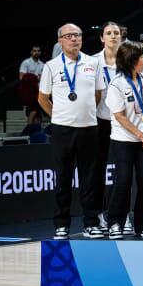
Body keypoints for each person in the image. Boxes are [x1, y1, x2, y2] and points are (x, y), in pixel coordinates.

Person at [39, 25, 102, 239]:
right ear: (60, 41)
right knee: (63, 179)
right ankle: (61, 224)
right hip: (62, 130)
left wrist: (84, 112)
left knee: (89, 178)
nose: (74, 39)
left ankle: (91, 223)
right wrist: (58, 115)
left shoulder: (93, 63)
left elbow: (97, 94)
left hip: (88, 129)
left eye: (77, 36)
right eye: (69, 36)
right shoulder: (51, 66)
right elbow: (42, 98)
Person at [104, 40, 143, 239]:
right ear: (130, 60)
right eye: (141, 56)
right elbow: (120, 116)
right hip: (123, 140)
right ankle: (115, 222)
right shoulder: (117, 84)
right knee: (123, 182)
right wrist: (141, 134)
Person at [92, 21, 122, 234]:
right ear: (102, 38)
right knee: (97, 170)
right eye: (109, 33)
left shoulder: (128, 60)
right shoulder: (92, 62)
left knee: (124, 172)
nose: (113, 36)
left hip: (124, 124)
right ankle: (100, 214)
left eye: (116, 33)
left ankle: (122, 215)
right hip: (101, 122)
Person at [19, 45, 44, 126]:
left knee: (38, 114)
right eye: (34, 51)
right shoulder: (26, 62)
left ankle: (37, 132)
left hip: (40, 92)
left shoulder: (42, 64)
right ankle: (29, 131)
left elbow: (43, 78)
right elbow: (21, 77)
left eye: (38, 51)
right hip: (30, 93)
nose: (36, 52)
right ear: (31, 52)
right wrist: (35, 78)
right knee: (32, 112)